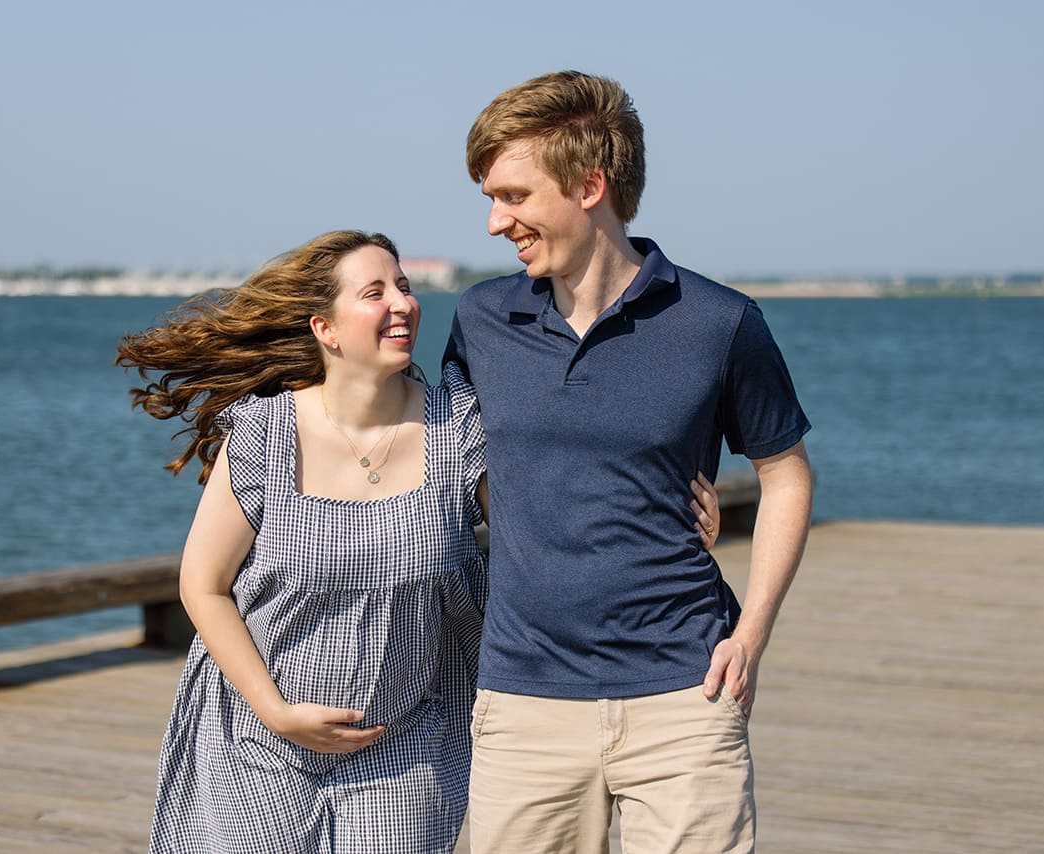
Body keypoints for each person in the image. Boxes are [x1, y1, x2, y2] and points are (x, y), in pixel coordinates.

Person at [118, 229, 723, 853]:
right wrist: (276, 712)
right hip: (259, 743)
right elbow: (203, 585)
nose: (402, 304)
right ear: (325, 328)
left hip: (405, 750)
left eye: (403, 287)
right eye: (374, 292)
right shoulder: (264, 434)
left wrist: (665, 532)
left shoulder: (454, 429)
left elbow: (545, 531)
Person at [445, 71, 814, 853]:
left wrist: (751, 635)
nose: (494, 222)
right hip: (523, 701)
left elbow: (785, 474)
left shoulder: (719, 322)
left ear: (589, 186)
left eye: (513, 196)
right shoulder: (480, 319)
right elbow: (442, 454)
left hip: (685, 695)